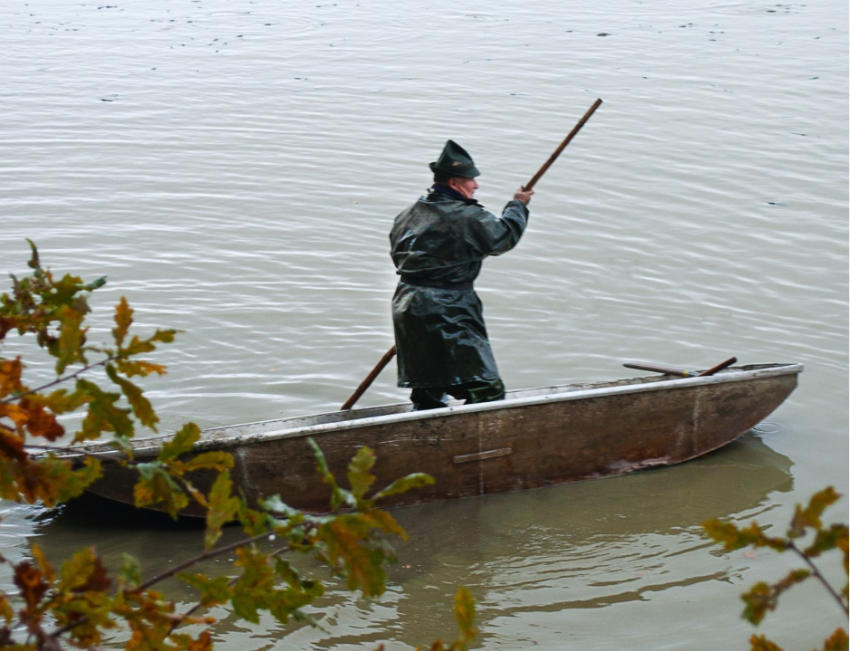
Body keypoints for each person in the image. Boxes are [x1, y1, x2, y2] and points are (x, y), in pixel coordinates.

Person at [389, 139, 534, 410]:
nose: (476, 185)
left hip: (407, 305)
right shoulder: (467, 217)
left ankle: (427, 439)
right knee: (486, 387)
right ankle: (472, 441)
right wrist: (518, 205)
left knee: (429, 387)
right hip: (447, 309)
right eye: (471, 180)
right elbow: (502, 238)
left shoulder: (407, 214)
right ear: (455, 184)